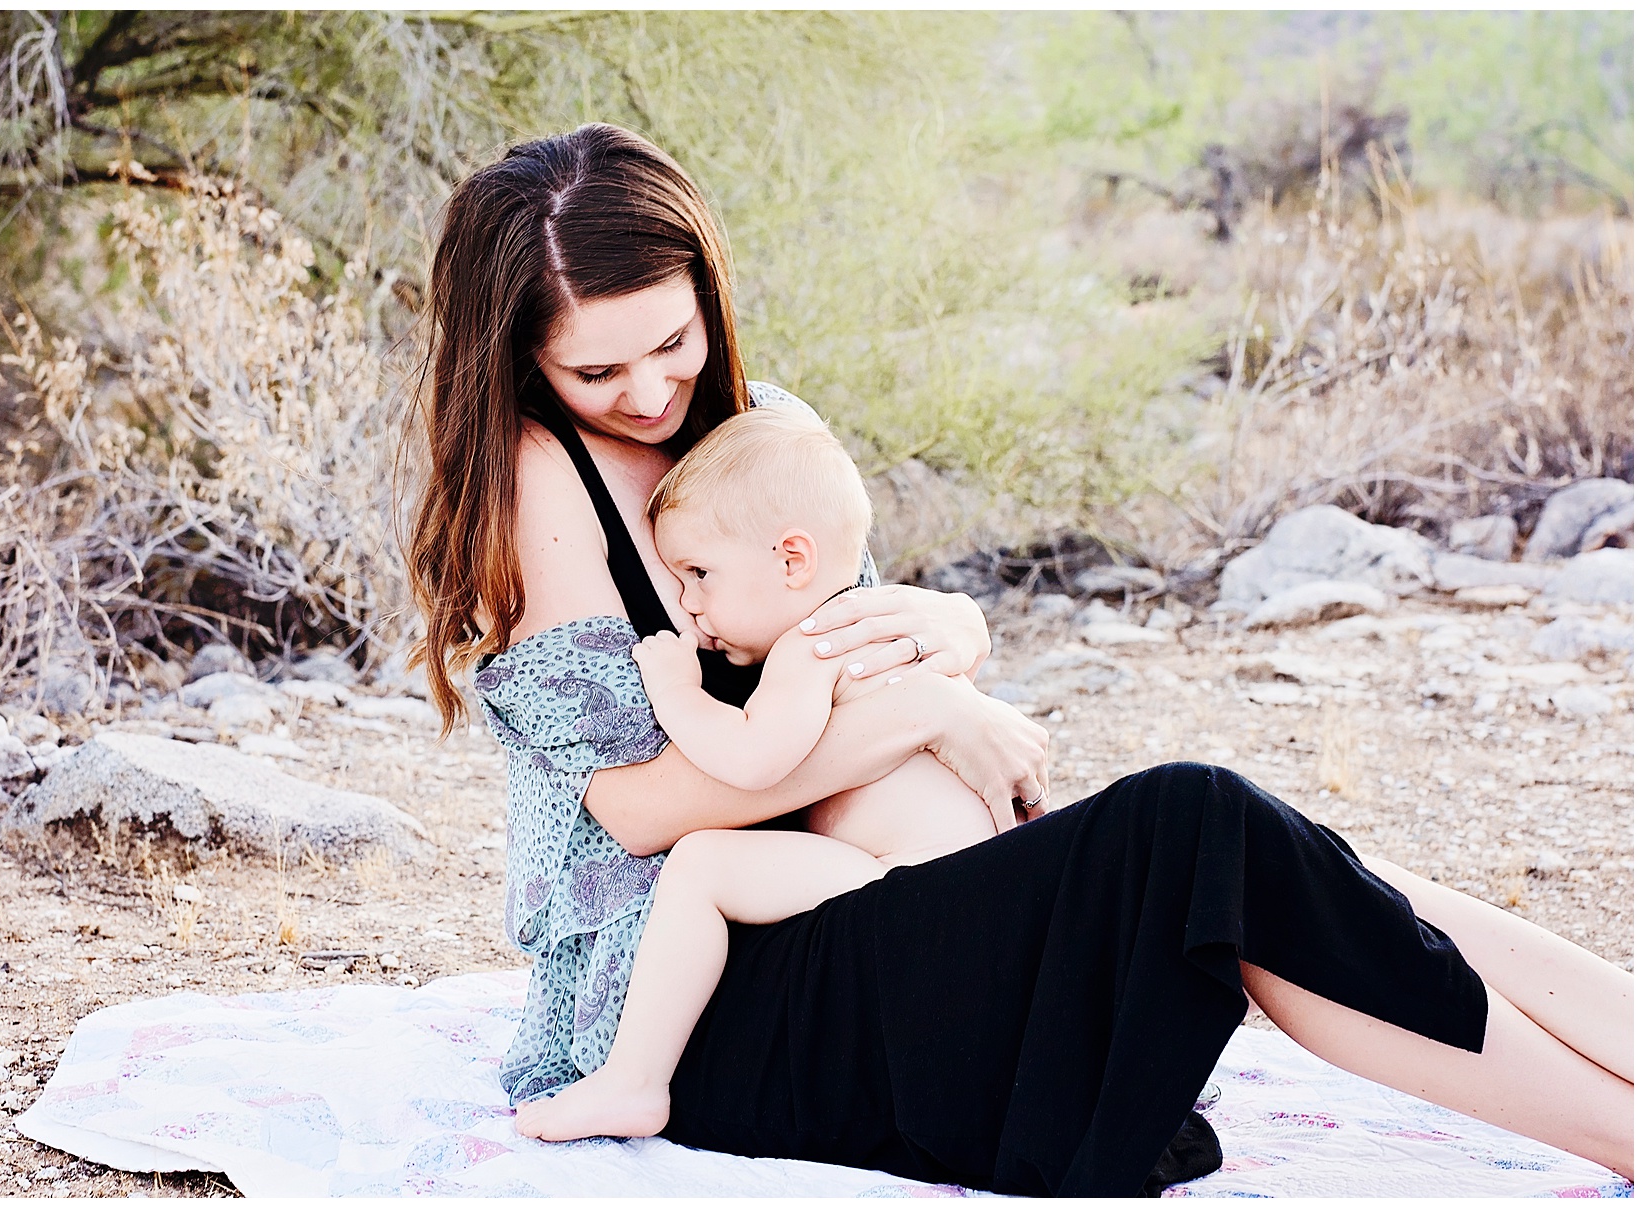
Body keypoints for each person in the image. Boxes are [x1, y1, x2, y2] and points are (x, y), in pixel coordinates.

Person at [402, 122, 1633, 1195]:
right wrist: (930, 711)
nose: (649, 388)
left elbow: (857, 639)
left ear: (705, 294)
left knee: (1264, 854)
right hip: (700, 1007)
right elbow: (636, 810)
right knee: (1195, 825)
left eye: (670, 340)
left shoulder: (758, 428)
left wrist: (954, 638)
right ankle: (1624, 1133)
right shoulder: (540, 480)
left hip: (856, 907)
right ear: (522, 359)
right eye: (595, 368)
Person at [514, 407, 1002, 1143]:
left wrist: (676, 690)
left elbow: (752, 760)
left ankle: (633, 1081)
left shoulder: (815, 643)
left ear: (792, 561)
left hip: (908, 892)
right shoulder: (883, 623)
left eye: (701, 573)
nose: (689, 602)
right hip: (963, 897)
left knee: (704, 864)